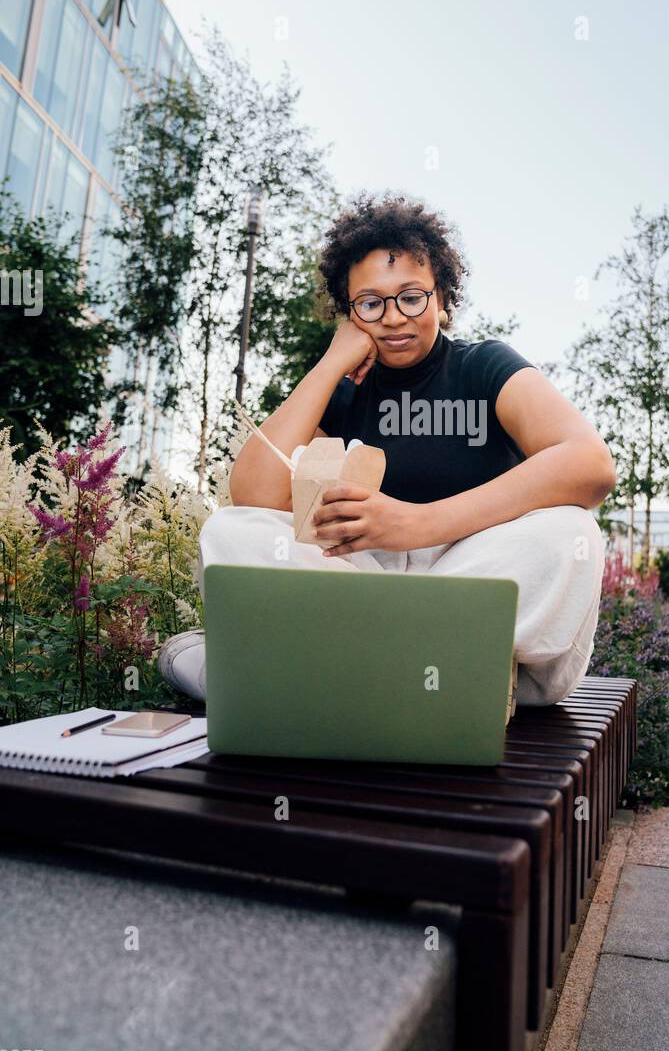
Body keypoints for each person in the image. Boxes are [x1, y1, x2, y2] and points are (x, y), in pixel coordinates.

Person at [159, 192, 616, 709]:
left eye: (412, 297)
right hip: (371, 592)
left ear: (440, 298)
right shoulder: (345, 392)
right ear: (349, 313)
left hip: (478, 601)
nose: (395, 317)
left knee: (569, 532)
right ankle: (411, 675)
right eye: (371, 303)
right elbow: (255, 495)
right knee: (231, 530)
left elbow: (590, 464)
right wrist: (331, 363)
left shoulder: (484, 365)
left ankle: (289, 674)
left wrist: (416, 525)